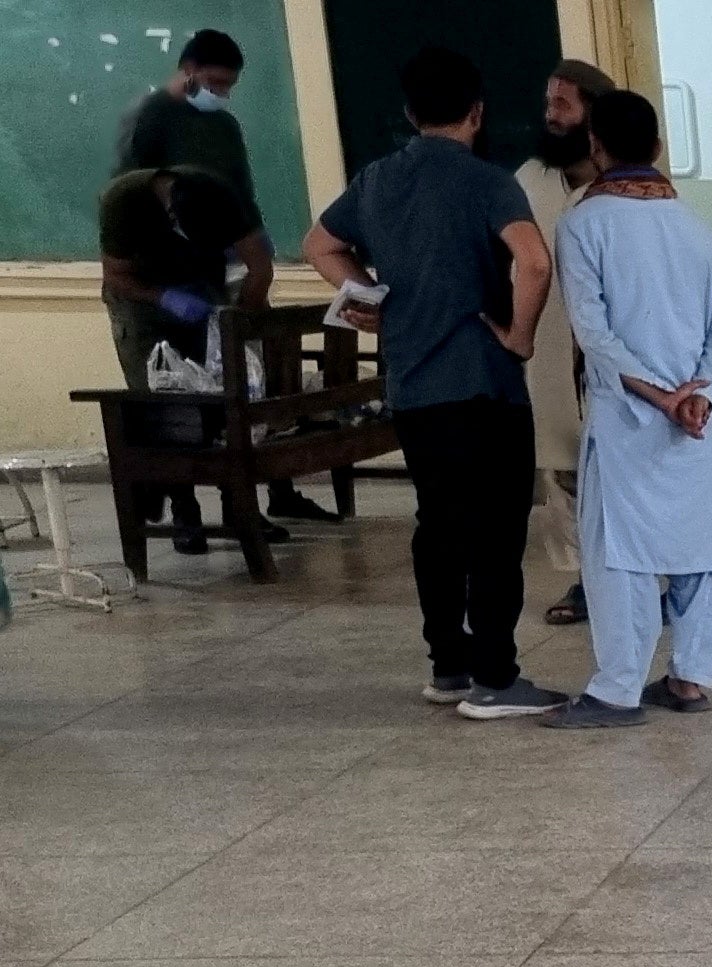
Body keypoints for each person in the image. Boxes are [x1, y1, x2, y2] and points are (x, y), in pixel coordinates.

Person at [304, 47, 567, 720]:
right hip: (483, 382)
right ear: (477, 112)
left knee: (440, 524)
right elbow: (534, 263)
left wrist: (365, 294)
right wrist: (521, 337)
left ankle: (448, 665)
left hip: (414, 384)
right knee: (497, 531)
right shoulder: (487, 182)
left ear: (408, 112)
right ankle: (496, 678)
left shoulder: (376, 179)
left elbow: (319, 245)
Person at [548, 89, 712, 731]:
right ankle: (691, 678)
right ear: (658, 147)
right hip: (701, 420)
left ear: (595, 147)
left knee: (619, 553)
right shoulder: (694, 224)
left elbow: (594, 333)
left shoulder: (582, 223)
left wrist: (660, 396)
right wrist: (698, 393)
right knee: (701, 549)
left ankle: (617, 690)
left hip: (628, 420)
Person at [117, 28, 341, 528]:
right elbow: (139, 201)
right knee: (171, 402)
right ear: (189, 71)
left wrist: (257, 261)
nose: (221, 94)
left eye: (229, 86)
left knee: (248, 384)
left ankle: (258, 498)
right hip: (160, 281)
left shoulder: (224, 127)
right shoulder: (150, 120)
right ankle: (185, 513)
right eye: (215, 83)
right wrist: (166, 286)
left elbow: (242, 196)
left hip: (218, 272)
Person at [93, 165, 254, 556]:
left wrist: (238, 322)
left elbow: (259, 265)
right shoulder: (124, 201)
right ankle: (185, 514)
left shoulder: (220, 194)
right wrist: (164, 298)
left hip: (203, 292)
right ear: (169, 214)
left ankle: (240, 510)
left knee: (222, 398)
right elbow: (116, 276)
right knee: (166, 407)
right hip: (141, 303)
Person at [519, 60, 618, 626]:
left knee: (623, 473)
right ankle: (585, 580)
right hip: (550, 348)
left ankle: (643, 580)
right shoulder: (529, 180)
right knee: (563, 471)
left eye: (563, 104)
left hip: (614, 353)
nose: (551, 116)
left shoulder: (624, 184)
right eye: (548, 104)